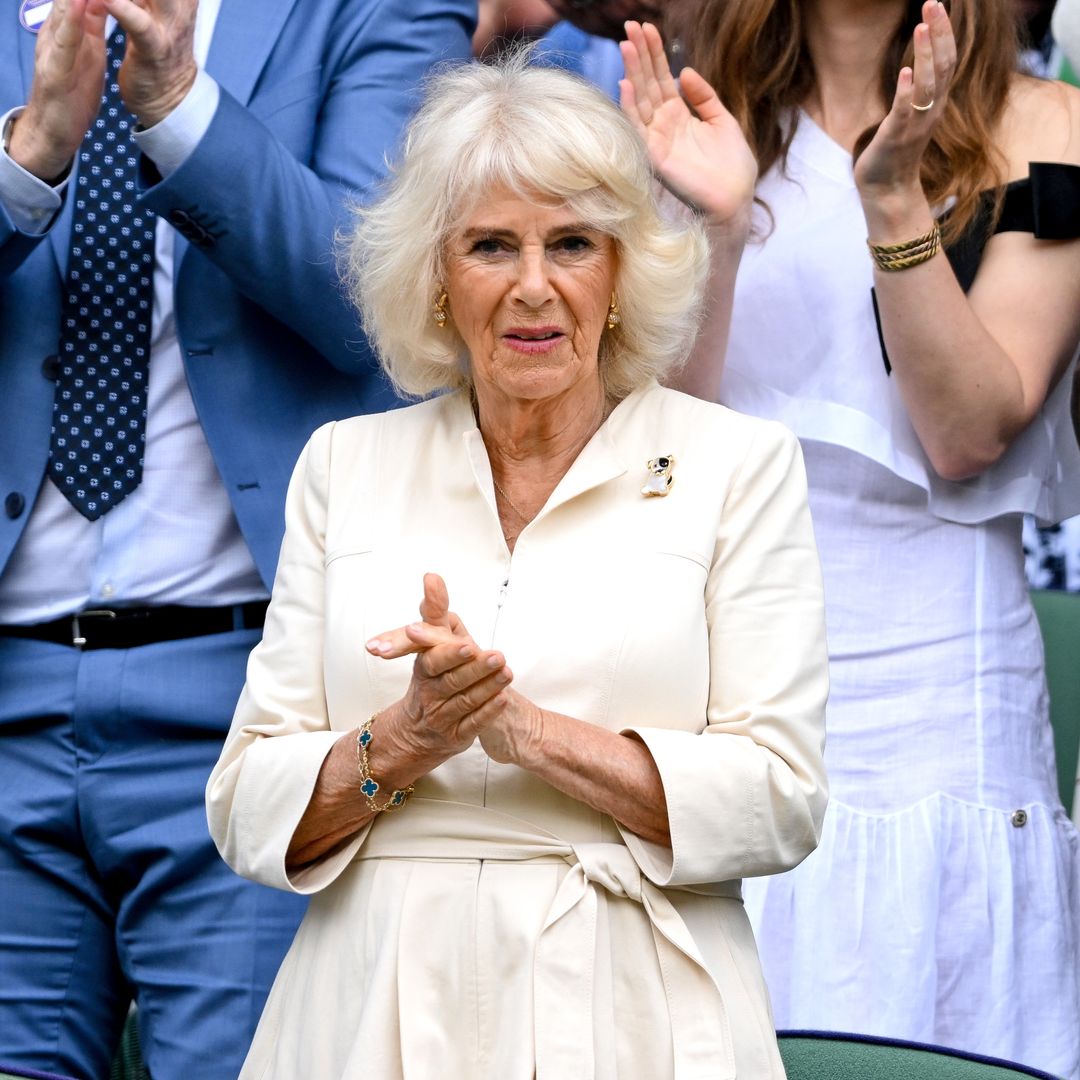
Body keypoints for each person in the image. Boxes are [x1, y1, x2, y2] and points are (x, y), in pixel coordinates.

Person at [205, 53, 829, 1078]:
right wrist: (407, 736)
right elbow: (244, 801)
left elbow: (782, 797)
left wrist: (521, 730)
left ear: (621, 273)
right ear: (437, 278)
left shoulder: (738, 468)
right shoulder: (344, 465)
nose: (533, 286)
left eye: (572, 243)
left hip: (643, 1008)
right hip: (374, 1011)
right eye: (491, 245)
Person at [0, 1, 473, 1077]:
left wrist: (178, 109)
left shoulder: (376, 11)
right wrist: (29, 163)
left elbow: (380, 303)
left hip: (257, 714)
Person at [621, 3, 1080, 1076]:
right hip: (719, 681)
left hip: (941, 700)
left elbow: (968, 431)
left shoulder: (1042, 122)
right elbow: (655, 462)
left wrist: (890, 205)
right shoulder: (691, 121)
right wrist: (717, 236)